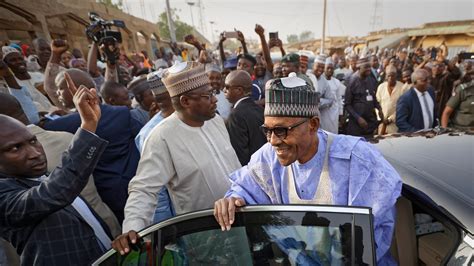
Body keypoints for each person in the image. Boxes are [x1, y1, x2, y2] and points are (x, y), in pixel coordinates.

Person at [213, 75, 401, 265]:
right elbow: (245, 188)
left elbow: (369, 240)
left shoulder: (357, 159)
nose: (273, 141)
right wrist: (232, 200)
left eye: (281, 130)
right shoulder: (269, 157)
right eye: (267, 130)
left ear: (313, 124)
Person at [114, 61, 241, 254]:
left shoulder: (215, 120)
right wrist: (133, 227)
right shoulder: (160, 137)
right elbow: (143, 189)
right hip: (207, 237)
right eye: (208, 96)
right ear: (185, 101)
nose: (215, 100)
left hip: (240, 222)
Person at [0, 74, 112, 265]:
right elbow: (55, 192)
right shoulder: (5, 195)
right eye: (15, 148)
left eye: (33, 141)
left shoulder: (41, 177)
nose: (35, 153)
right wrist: (87, 127)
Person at [43, 68, 143, 222]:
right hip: (140, 187)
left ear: (76, 90)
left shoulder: (59, 126)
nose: (57, 93)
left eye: (60, 88)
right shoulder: (122, 112)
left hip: (106, 198)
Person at [224, 70, 267, 165]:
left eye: (227, 87)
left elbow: (239, 153)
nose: (224, 90)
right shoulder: (260, 109)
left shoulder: (235, 115)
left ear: (239, 90)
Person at [2, 46, 54, 113]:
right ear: (6, 65)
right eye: (13, 60)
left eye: (20, 59)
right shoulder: (13, 86)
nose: (19, 62)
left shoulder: (39, 75)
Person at [345, 57, 383, 139]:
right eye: (366, 67)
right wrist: (358, 118)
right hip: (356, 126)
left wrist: (379, 108)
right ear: (359, 67)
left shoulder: (370, 79)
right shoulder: (352, 81)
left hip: (369, 125)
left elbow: (373, 97)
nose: (369, 69)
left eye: (369, 67)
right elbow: (347, 105)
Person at [376, 65, 409, 134]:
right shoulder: (381, 87)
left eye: (393, 76)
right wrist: (381, 117)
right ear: (386, 76)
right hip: (382, 124)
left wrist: (390, 119)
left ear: (396, 76)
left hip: (396, 124)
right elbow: (377, 104)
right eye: (388, 76)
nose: (390, 78)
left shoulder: (402, 87)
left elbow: (403, 107)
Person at [312, 54, 337, 133]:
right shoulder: (307, 76)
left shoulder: (324, 81)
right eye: (318, 66)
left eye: (322, 67)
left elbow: (330, 99)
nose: (320, 69)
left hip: (316, 117)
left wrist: (319, 101)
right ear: (313, 65)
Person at [324, 58, 346, 132]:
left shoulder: (336, 82)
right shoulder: (321, 81)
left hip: (334, 114)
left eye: (331, 68)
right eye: (328, 68)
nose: (330, 70)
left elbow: (339, 99)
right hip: (324, 113)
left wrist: (341, 113)